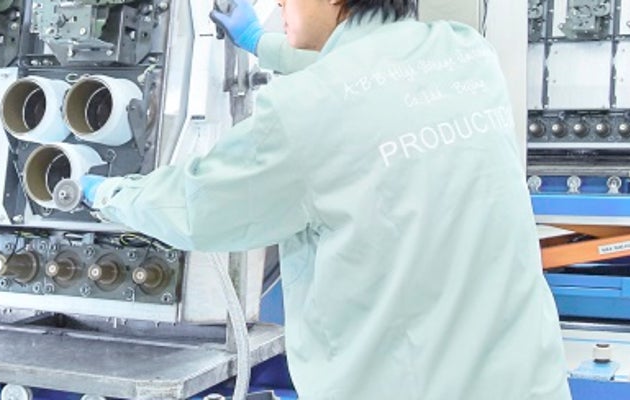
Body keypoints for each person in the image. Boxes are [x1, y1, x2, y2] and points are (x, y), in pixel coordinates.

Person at [72, 0, 571, 397]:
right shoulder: (466, 53)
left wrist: (104, 192)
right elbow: (367, 72)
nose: (280, 3)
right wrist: (260, 44)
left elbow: (195, 207)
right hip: (527, 383)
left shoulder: (302, 111)